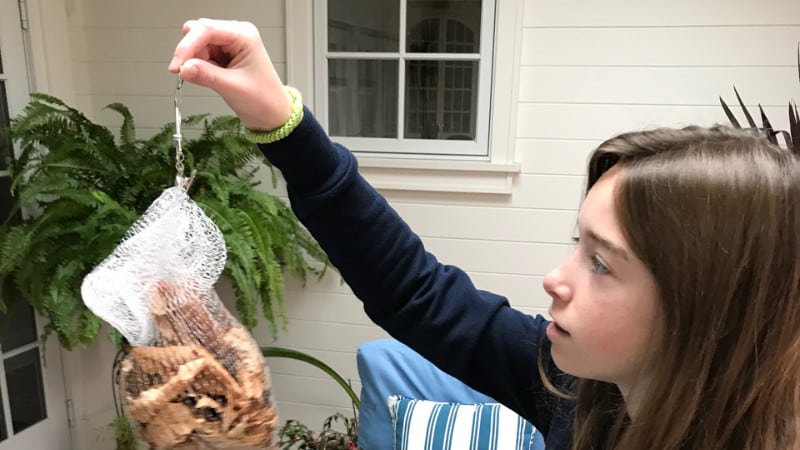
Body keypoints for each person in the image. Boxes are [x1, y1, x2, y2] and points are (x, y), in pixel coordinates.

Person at [168, 19, 800, 450]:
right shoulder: (580, 390)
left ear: (709, 308)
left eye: (602, 264)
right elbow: (416, 293)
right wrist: (279, 119)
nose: (556, 279)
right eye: (578, 245)